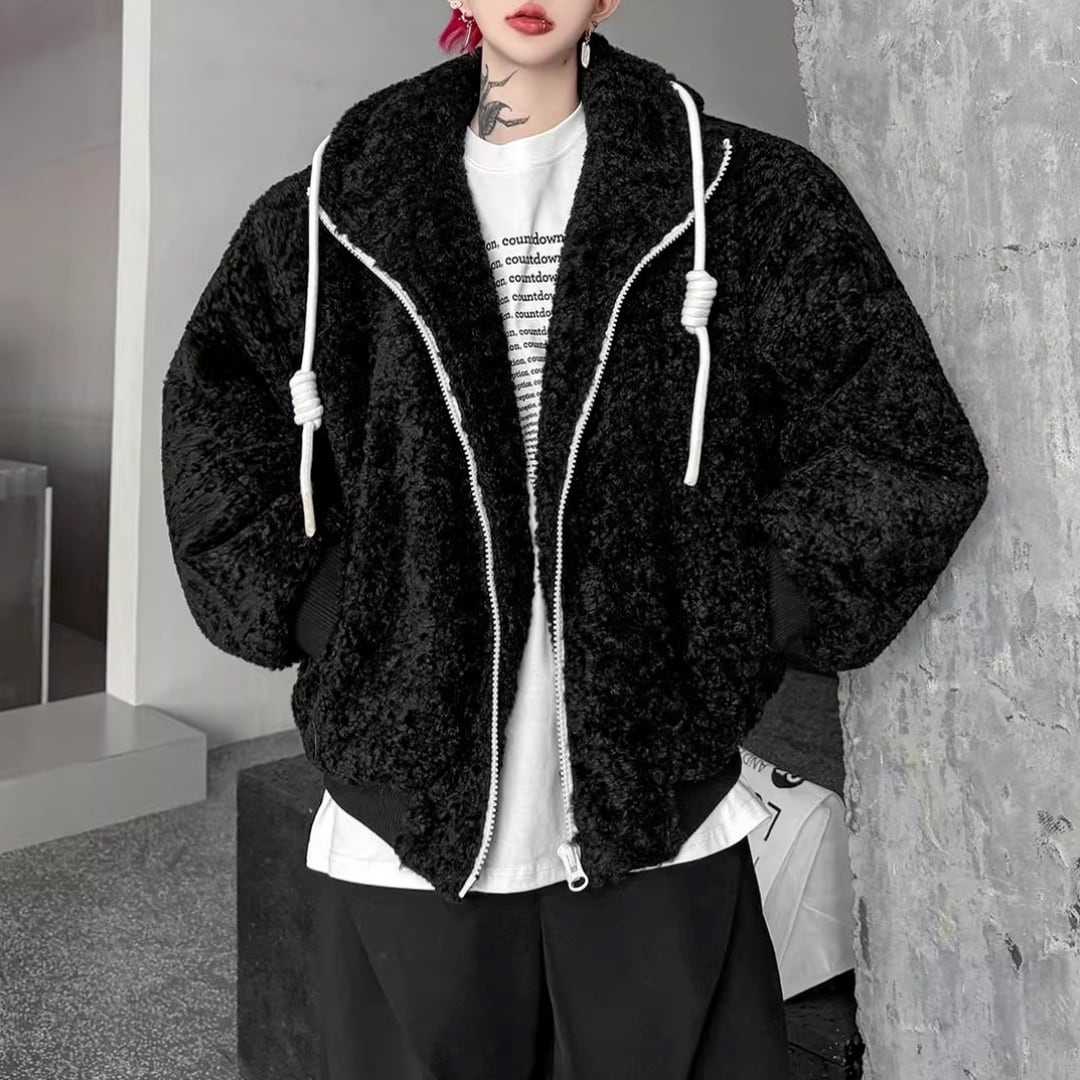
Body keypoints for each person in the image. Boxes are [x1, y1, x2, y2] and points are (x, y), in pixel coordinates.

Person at [160, 2, 989, 1077]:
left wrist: (733, 614)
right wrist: (341, 617)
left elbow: (901, 443)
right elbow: (216, 435)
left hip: (657, 798)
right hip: (407, 817)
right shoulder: (328, 216)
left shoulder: (743, 196)